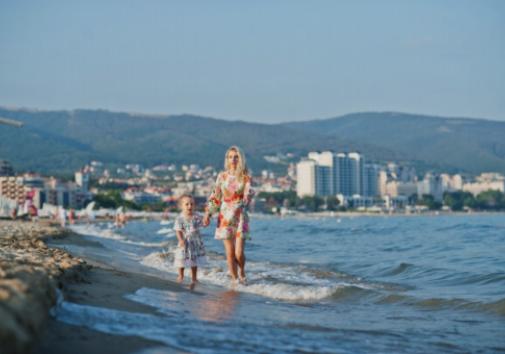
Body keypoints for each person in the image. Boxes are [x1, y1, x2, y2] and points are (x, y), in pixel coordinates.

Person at [203, 146, 254, 285]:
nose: (233, 160)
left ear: (241, 159)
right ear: (227, 159)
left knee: (238, 253)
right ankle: (235, 281)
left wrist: (248, 196)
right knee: (230, 253)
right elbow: (215, 196)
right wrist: (208, 214)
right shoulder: (222, 176)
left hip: (240, 216)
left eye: (236, 157)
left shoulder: (246, 177)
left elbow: (248, 194)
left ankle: (242, 271)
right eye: (230, 157)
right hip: (225, 216)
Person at [174, 194, 208, 290]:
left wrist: (207, 215)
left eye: (192, 204)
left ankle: (194, 278)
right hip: (184, 242)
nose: (190, 206)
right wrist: (180, 240)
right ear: (181, 206)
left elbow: (204, 224)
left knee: (194, 261)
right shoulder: (180, 218)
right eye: (187, 204)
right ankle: (181, 275)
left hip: (195, 242)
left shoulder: (197, 216)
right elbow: (178, 230)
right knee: (181, 259)